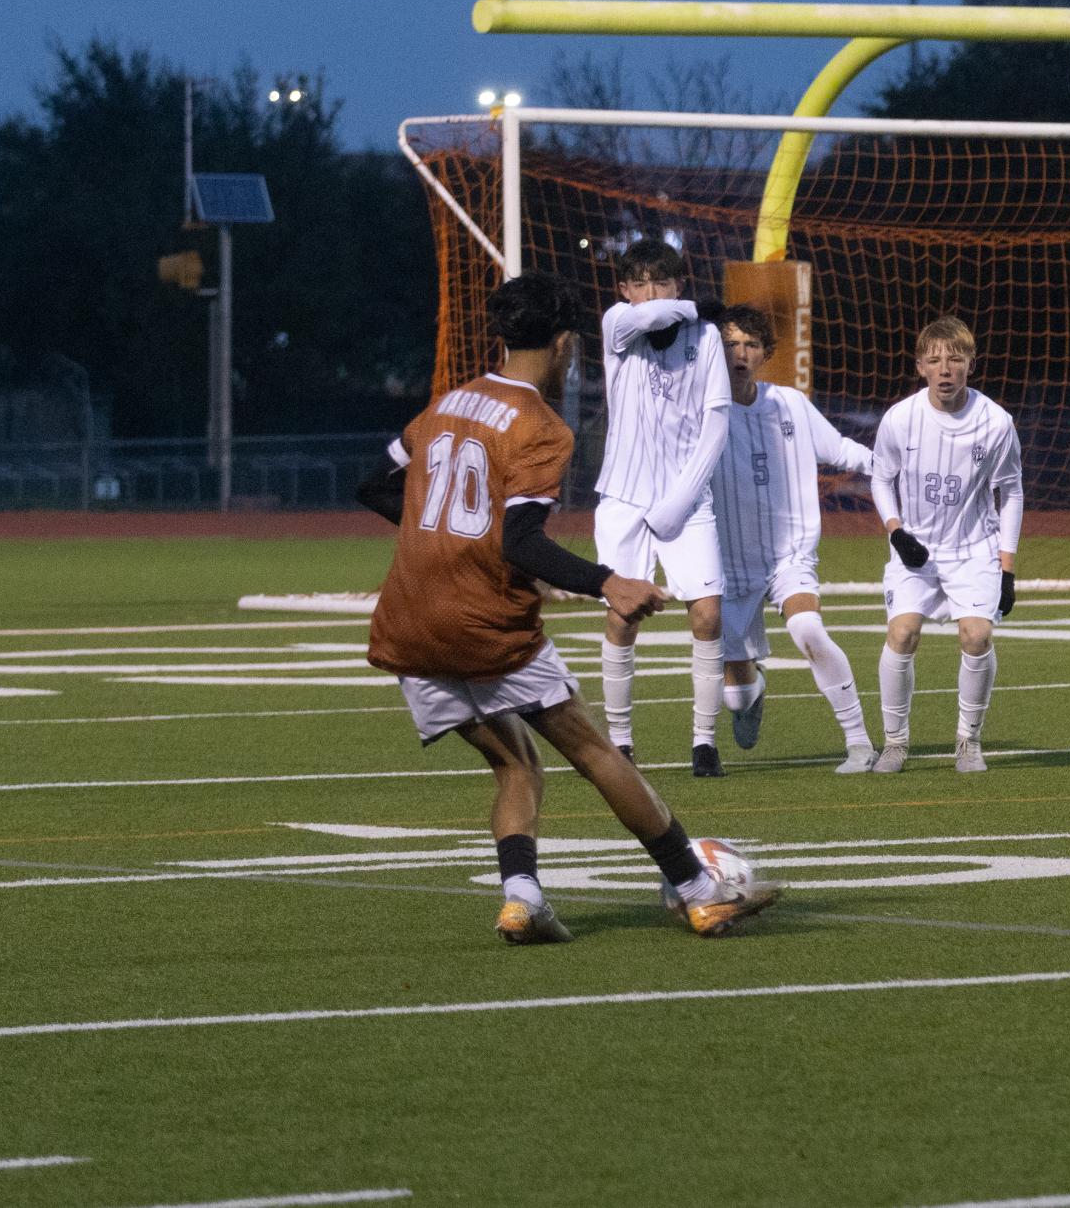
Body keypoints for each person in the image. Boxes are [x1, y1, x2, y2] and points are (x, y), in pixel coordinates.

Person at [356, 271, 776, 942]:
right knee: (594, 750)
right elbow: (520, 541)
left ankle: (521, 900)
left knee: (514, 763)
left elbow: (376, 484)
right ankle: (699, 890)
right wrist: (609, 582)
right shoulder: (540, 427)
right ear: (560, 344)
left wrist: (443, 543)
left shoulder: (445, 405)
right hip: (483, 622)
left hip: (407, 620)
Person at [707, 304, 879, 774]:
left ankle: (860, 745)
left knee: (808, 630)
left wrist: (891, 466)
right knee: (736, 693)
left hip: (790, 554)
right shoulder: (702, 413)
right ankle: (751, 689)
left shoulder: (791, 405)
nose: (740, 354)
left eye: (751, 345)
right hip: (729, 562)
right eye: (730, 344)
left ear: (765, 354)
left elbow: (840, 450)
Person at [590, 241, 733, 778]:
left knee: (709, 615)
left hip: (687, 499)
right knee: (623, 615)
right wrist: (698, 306)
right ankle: (620, 744)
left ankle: (703, 742)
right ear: (625, 291)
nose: (652, 294)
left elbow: (715, 423)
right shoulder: (618, 324)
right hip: (623, 497)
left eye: (664, 282)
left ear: (680, 284)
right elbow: (651, 316)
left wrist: (678, 501)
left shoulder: (707, 338)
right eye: (641, 283)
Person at [868, 315, 1024, 775]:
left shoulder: (995, 423)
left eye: (955, 359)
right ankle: (895, 744)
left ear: (970, 365)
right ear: (920, 366)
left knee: (977, 635)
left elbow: (1010, 492)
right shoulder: (900, 419)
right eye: (934, 359)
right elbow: (881, 479)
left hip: (974, 548)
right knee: (902, 634)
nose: (945, 368)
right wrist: (896, 531)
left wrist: (1007, 568)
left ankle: (968, 741)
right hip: (915, 549)